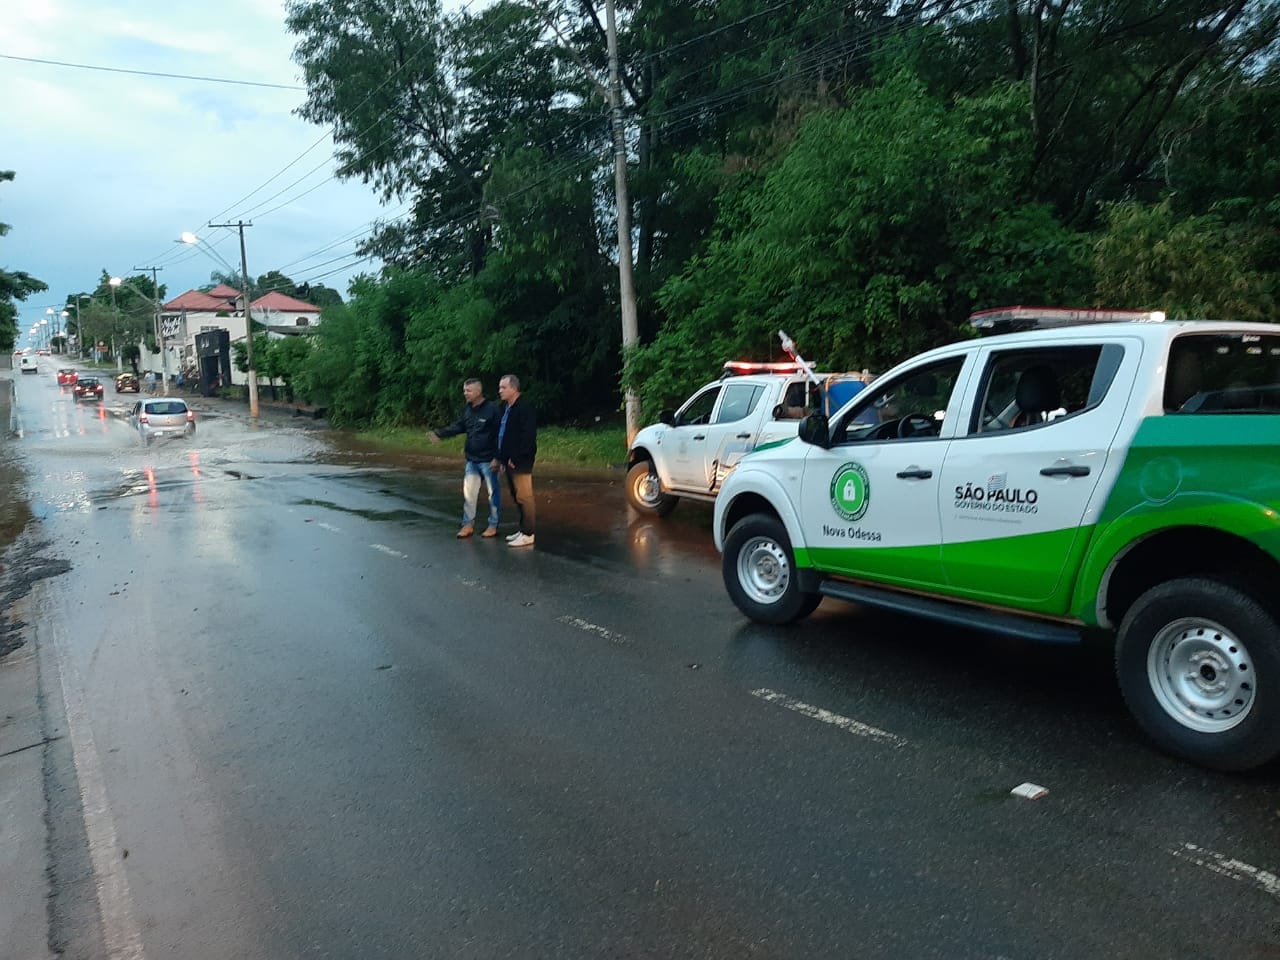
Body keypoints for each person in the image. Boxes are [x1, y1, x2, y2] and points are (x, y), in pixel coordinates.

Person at [428, 378, 501, 538]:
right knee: (469, 494)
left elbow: (499, 434)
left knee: (493, 494)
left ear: (478, 391)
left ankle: (493, 525)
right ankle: (467, 524)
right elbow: (459, 426)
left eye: (468, 390)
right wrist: (440, 433)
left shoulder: (492, 410)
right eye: (464, 390)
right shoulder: (467, 409)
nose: (465, 393)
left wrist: (497, 457)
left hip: (489, 459)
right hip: (472, 460)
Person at [491, 374, 537, 548]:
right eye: (499, 387)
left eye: (503, 387)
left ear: (514, 388)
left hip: (520, 461)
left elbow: (528, 436)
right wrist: (502, 458)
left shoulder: (524, 408)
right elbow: (503, 435)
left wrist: (516, 458)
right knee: (516, 495)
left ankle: (528, 533)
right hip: (508, 460)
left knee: (524, 496)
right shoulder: (506, 408)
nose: (500, 391)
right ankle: (522, 529)